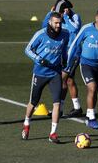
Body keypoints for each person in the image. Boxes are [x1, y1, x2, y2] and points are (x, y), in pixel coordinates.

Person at [64, 7, 98, 129]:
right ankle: (91, 118)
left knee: (94, 93)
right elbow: (74, 44)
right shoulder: (86, 28)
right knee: (92, 87)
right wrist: (68, 60)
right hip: (86, 64)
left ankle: (89, 117)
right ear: (96, 18)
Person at [22, 12, 69, 143]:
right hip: (40, 73)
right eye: (56, 22)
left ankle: (53, 133)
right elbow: (27, 49)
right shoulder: (40, 34)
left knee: (57, 103)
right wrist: (39, 59)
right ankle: (26, 124)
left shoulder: (65, 34)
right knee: (33, 102)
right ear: (50, 22)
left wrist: (65, 60)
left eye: (60, 23)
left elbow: (64, 49)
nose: (58, 25)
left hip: (55, 73)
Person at [42, 0, 83, 117]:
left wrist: (65, 17)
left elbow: (74, 29)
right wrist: (50, 14)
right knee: (69, 81)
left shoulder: (75, 17)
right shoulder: (56, 18)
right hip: (63, 54)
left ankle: (59, 109)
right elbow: (44, 26)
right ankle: (77, 107)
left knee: (62, 80)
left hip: (74, 54)